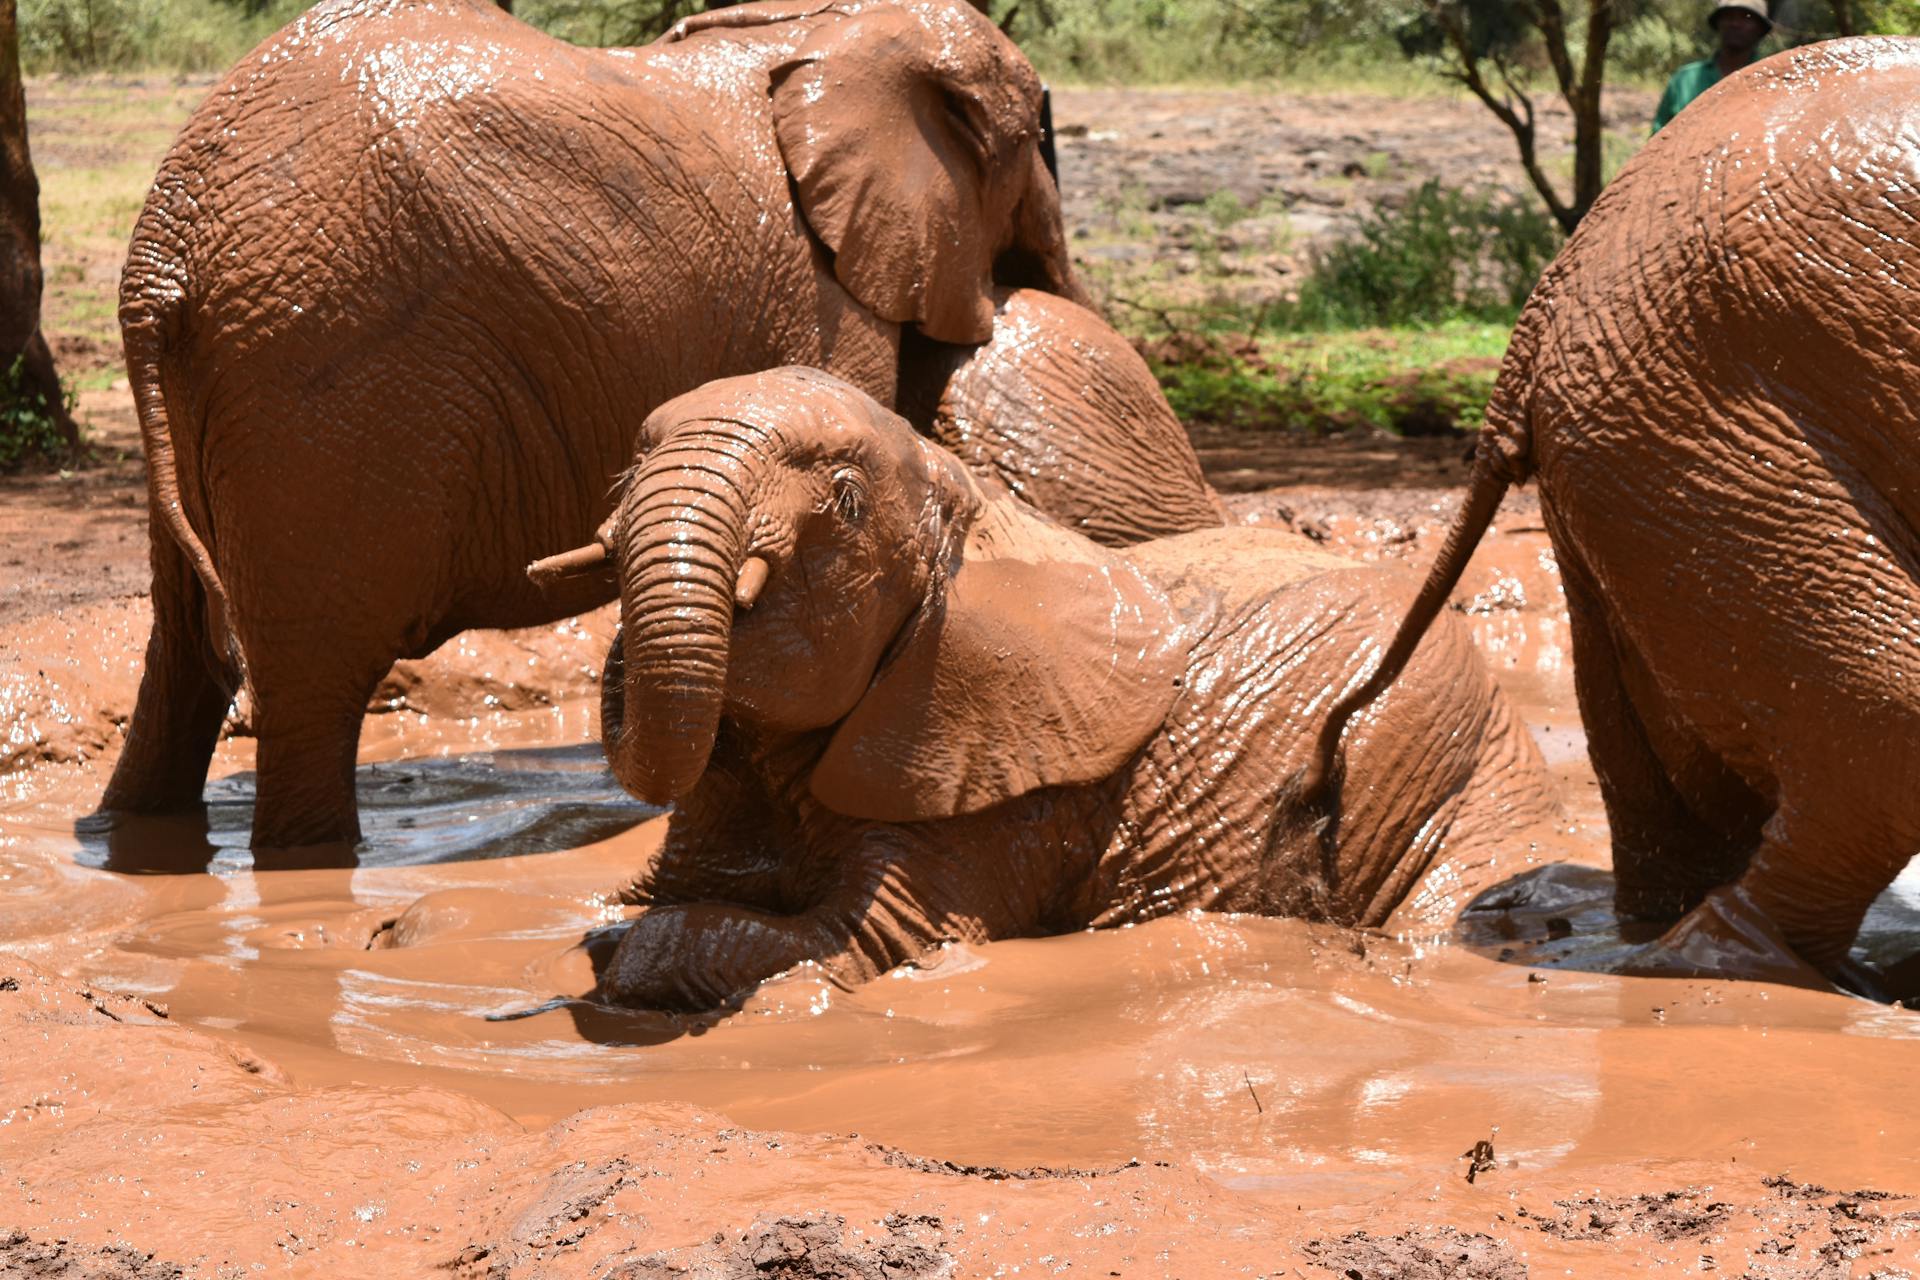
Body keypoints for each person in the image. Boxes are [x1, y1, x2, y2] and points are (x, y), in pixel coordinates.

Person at [1653, 1, 1772, 131]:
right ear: (1718, 23)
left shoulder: (1771, 82)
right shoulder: (1684, 80)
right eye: (1728, 17)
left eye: (1746, 17)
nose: (1735, 24)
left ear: (1760, 29)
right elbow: (1657, 137)